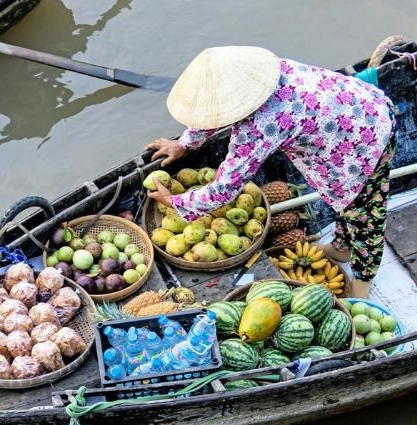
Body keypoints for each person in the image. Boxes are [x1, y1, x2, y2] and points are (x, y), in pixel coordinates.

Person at [145, 46, 396, 299]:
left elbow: (224, 190)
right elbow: (213, 112)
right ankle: (342, 247)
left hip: (366, 141)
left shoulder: (260, 126)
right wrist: (185, 143)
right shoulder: (270, 73)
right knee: (347, 202)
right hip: (355, 110)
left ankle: (363, 282)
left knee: (364, 215)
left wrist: (175, 202)